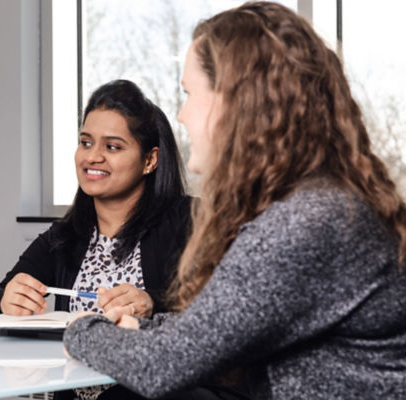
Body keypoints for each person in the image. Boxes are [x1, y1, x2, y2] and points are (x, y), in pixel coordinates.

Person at [63, 2, 406, 400]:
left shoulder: (304, 220)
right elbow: (216, 330)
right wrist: (144, 328)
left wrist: (81, 329)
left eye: (190, 94)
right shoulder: (323, 203)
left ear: (235, 103)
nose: (182, 114)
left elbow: (159, 367)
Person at [0, 79, 193, 399]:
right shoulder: (64, 237)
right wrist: (6, 300)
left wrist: (153, 303)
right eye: (85, 142)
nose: (92, 157)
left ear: (150, 160)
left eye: (112, 146)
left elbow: (225, 310)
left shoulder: (187, 221)